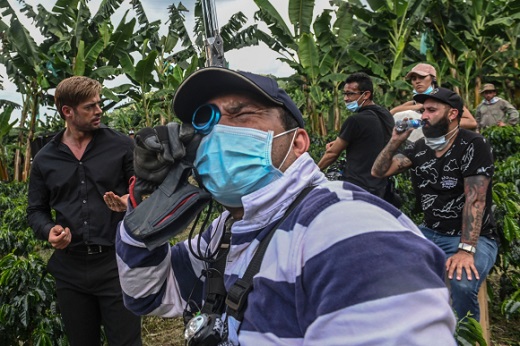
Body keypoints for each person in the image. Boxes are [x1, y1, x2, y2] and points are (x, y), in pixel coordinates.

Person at [116, 67, 457, 345]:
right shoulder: (227, 230)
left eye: (242, 115)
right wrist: (143, 220)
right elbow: (149, 294)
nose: (219, 134)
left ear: (298, 143)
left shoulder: (348, 229)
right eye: (207, 122)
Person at [27, 76, 142, 346]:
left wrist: (131, 201)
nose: (99, 111)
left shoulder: (122, 146)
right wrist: (49, 231)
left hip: (116, 263)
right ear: (68, 111)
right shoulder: (45, 159)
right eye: (90, 107)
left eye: (98, 104)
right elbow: (35, 210)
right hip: (70, 269)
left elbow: (145, 191)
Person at [372, 87, 499, 321]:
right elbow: (379, 171)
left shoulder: (474, 144)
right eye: (423, 110)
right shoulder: (422, 146)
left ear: (452, 114)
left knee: (462, 285)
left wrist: (465, 250)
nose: (424, 116)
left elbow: (476, 200)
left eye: (431, 110)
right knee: (388, 270)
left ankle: (466, 336)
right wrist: (394, 142)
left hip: (474, 237)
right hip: (430, 232)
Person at [317, 72, 394, 199]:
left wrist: (314, 171)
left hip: (357, 187)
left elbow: (332, 154)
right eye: (345, 94)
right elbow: (371, 140)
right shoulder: (385, 114)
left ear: (366, 95)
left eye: (350, 94)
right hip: (381, 187)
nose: (346, 99)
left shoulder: (355, 120)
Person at [391, 63, 478, 142]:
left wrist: (438, 122)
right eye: (414, 79)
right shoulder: (413, 103)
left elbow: (472, 122)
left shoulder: (446, 98)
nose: (417, 81)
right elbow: (391, 113)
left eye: (422, 77)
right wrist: (416, 107)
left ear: (433, 79)